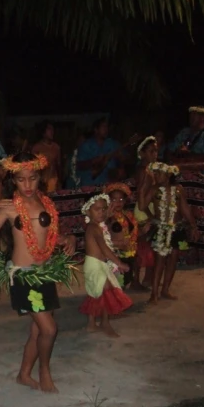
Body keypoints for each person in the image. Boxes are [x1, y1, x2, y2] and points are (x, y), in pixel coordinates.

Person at [0, 152, 77, 393]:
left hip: (45, 273)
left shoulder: (46, 204)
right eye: (21, 180)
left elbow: (47, 238)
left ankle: (24, 374)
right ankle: (44, 371)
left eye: (32, 178)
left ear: (39, 177)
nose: (27, 185)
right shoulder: (11, 208)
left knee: (38, 330)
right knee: (49, 329)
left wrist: (67, 238)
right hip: (23, 276)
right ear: (14, 181)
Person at [141, 163, 200, 304]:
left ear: (168, 175)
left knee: (173, 258)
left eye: (159, 173)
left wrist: (193, 225)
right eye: (155, 173)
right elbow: (142, 206)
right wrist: (144, 186)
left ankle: (165, 289)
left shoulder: (179, 190)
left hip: (177, 228)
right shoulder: (154, 189)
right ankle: (154, 293)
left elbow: (184, 208)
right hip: (161, 228)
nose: (156, 175)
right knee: (159, 261)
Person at [78, 193, 132, 338]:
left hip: (99, 264)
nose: (101, 213)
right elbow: (104, 249)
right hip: (94, 264)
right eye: (97, 210)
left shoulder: (97, 225)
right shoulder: (93, 228)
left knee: (96, 292)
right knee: (105, 291)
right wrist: (119, 263)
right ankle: (105, 322)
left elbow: (104, 217)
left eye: (103, 209)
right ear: (88, 211)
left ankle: (91, 324)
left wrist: (109, 212)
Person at [133, 136, 159, 289]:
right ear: (142, 153)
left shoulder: (149, 170)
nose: (154, 154)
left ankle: (143, 280)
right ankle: (139, 281)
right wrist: (151, 217)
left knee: (145, 247)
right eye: (151, 151)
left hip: (147, 209)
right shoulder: (145, 172)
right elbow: (141, 199)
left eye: (156, 151)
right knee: (143, 247)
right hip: (144, 211)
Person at [168, 106, 204, 177]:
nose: (191, 118)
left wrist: (187, 153)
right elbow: (169, 151)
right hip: (183, 170)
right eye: (191, 115)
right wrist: (177, 152)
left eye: (195, 115)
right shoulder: (184, 132)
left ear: (203, 117)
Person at [104, 182, 138, 289]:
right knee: (116, 283)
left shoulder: (128, 215)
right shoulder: (106, 216)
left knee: (124, 282)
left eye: (121, 200)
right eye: (114, 200)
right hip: (114, 254)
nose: (118, 203)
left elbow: (133, 232)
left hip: (128, 252)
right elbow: (100, 232)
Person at [75, 119, 124, 187]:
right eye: (103, 127)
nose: (106, 130)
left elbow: (125, 159)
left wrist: (120, 158)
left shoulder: (113, 144)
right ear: (96, 129)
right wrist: (93, 161)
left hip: (109, 185)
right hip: (90, 184)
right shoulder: (86, 145)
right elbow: (79, 165)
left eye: (107, 127)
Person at [32, 121, 62, 192]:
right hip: (41, 183)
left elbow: (59, 165)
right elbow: (33, 168)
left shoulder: (56, 147)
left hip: (54, 181)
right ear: (43, 132)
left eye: (53, 129)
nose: (52, 131)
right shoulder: (37, 148)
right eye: (49, 129)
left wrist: (60, 182)